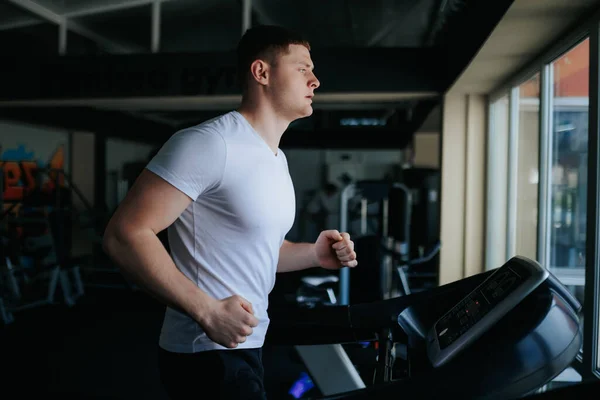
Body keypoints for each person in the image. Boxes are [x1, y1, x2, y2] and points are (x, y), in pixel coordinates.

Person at [102, 24, 358, 400]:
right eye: (303, 68)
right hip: (205, 354)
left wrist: (313, 254)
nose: (315, 80)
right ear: (262, 73)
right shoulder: (209, 144)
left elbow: (257, 250)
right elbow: (125, 235)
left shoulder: (276, 158)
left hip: (244, 344)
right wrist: (205, 310)